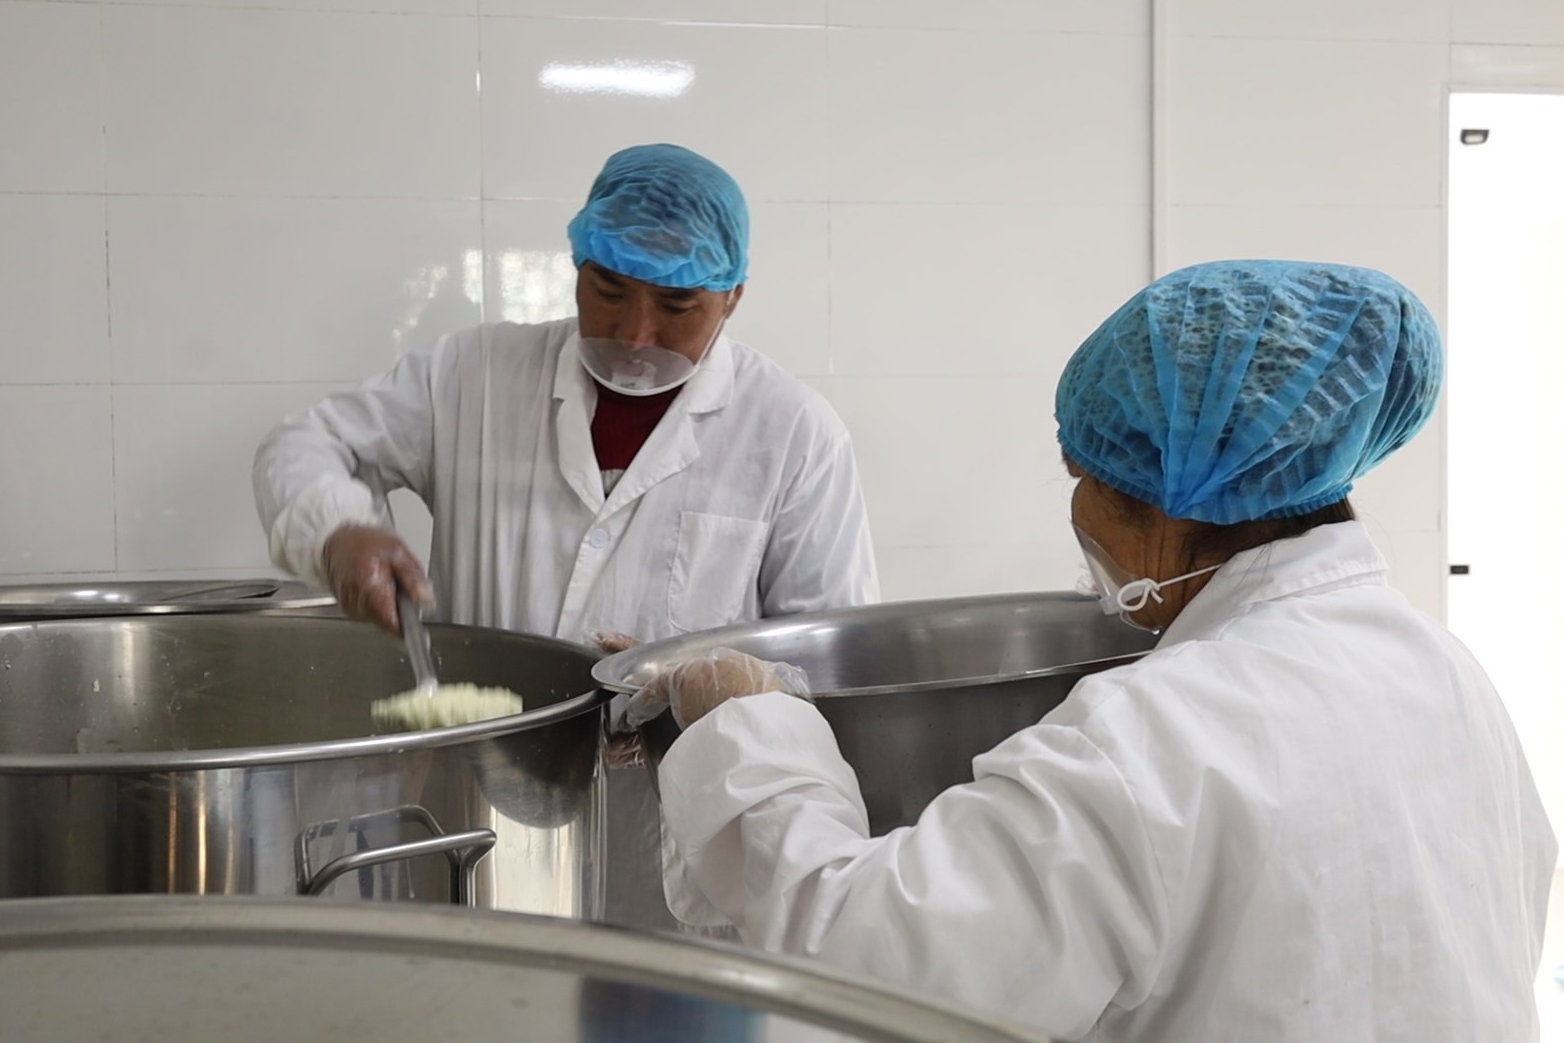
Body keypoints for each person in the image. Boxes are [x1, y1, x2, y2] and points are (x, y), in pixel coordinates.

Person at [629, 260, 1556, 1040]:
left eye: (1084, 475)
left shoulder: (1151, 739)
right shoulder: (1445, 670)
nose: (1076, 514)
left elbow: (866, 965)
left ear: (1171, 499)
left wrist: (750, 729)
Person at [253, 142, 878, 645]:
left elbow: (832, 647)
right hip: (488, 754)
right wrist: (338, 532)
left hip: (689, 765)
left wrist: (724, 687)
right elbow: (304, 443)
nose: (634, 334)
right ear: (577, 268)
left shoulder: (794, 433)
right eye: (608, 291)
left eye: (676, 305)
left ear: (732, 297)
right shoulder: (474, 373)